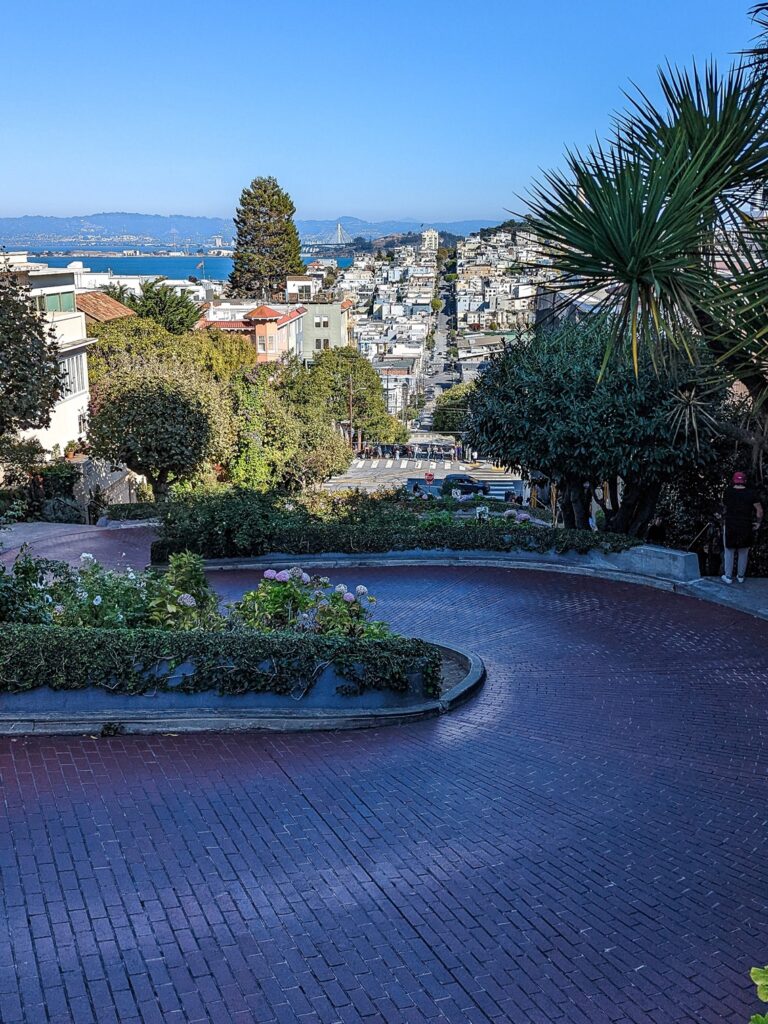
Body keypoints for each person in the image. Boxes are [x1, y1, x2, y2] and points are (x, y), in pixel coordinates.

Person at [721, 471, 763, 584]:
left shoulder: (728, 492)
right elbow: (759, 511)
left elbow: (724, 508)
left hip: (730, 524)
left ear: (733, 480)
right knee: (743, 552)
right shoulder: (751, 493)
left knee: (729, 551)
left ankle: (728, 577)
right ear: (745, 481)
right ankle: (740, 577)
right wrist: (758, 523)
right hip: (746, 525)